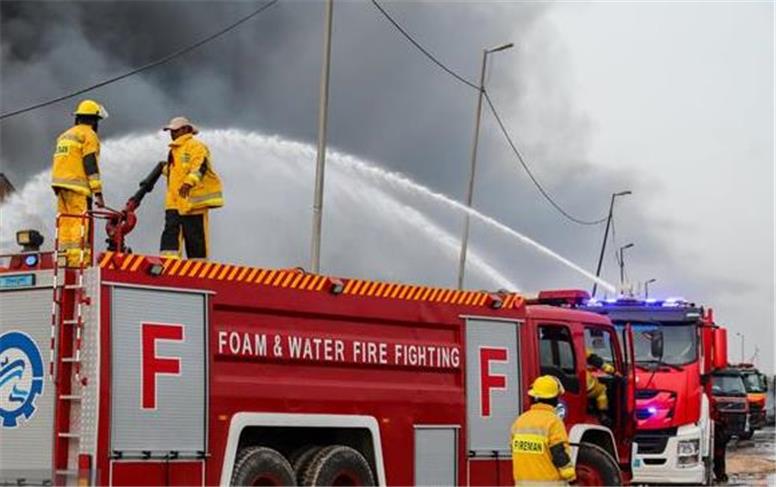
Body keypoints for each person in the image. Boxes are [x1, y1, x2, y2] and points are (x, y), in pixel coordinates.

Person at [51, 99, 108, 267]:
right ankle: (79, 263)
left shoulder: (64, 135)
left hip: (60, 186)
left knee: (64, 223)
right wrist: (98, 193)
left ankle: (63, 260)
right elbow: (90, 163)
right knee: (79, 222)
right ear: (93, 120)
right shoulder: (89, 135)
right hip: (78, 187)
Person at [159, 116, 223, 260]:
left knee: (196, 241)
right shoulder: (174, 150)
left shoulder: (196, 146)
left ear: (186, 129)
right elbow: (176, 173)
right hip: (174, 203)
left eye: (175, 130)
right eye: (171, 131)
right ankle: (168, 266)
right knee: (170, 238)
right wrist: (163, 169)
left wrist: (189, 182)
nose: (172, 133)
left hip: (193, 203)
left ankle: (198, 273)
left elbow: (200, 166)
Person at [511, 375, 576, 485]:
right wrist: (571, 477)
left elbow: (515, 451)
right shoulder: (553, 421)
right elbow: (559, 453)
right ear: (554, 399)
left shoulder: (520, 421)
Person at [586, 350, 615, 425]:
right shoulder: (580, 348)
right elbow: (596, 361)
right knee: (602, 390)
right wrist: (612, 370)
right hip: (583, 382)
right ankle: (603, 414)